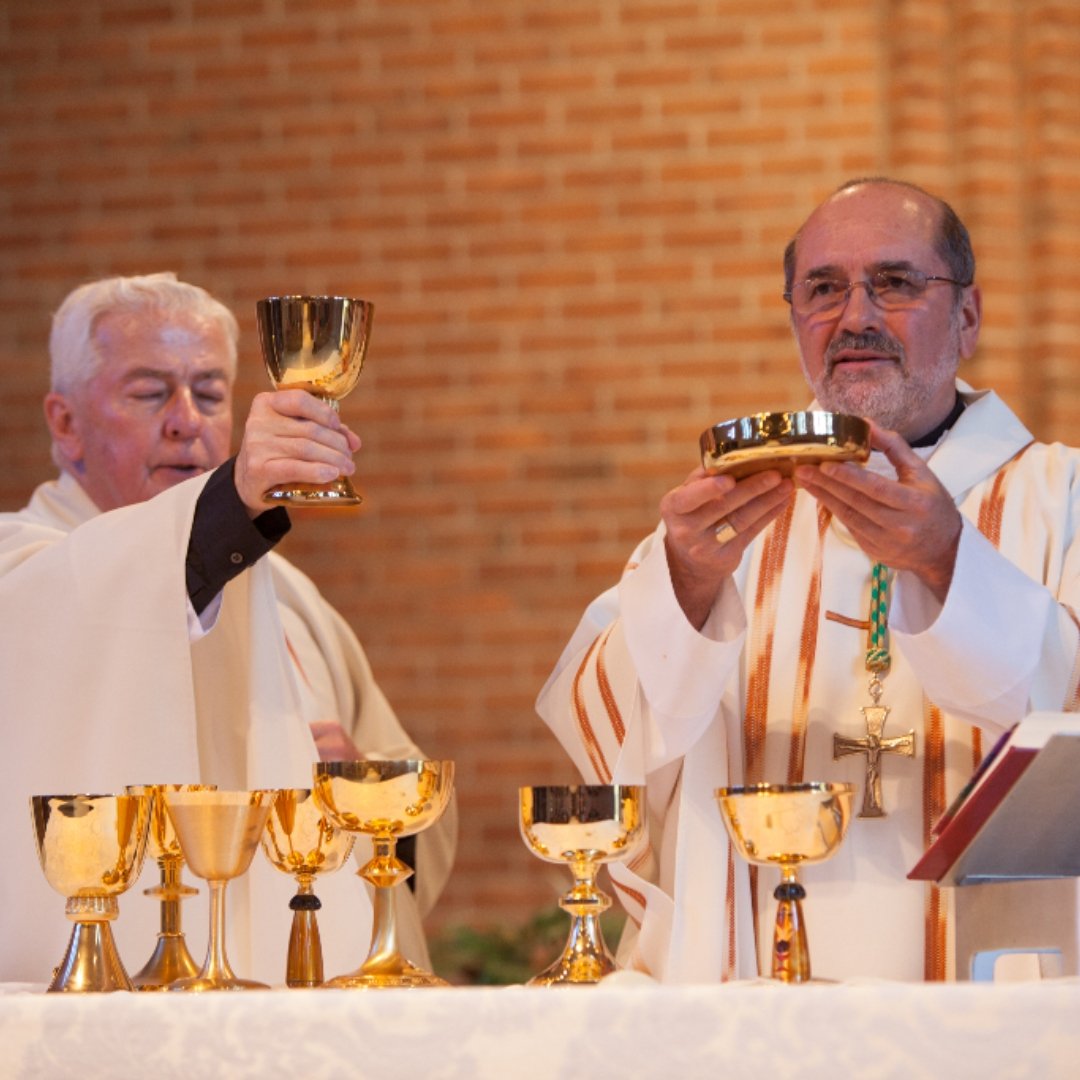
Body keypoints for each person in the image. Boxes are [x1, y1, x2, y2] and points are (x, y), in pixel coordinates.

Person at [537, 178, 1080, 983]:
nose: (855, 317)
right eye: (823, 289)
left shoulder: (1061, 498)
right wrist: (684, 588)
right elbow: (608, 744)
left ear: (967, 317)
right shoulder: (728, 517)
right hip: (754, 1002)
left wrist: (945, 562)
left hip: (997, 1011)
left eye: (894, 283)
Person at [0, 273, 457, 986]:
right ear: (65, 423)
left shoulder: (295, 602)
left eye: (210, 393)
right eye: (150, 393)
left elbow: (414, 803)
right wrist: (232, 503)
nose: (186, 420)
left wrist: (358, 789)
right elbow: (105, 594)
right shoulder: (21, 567)